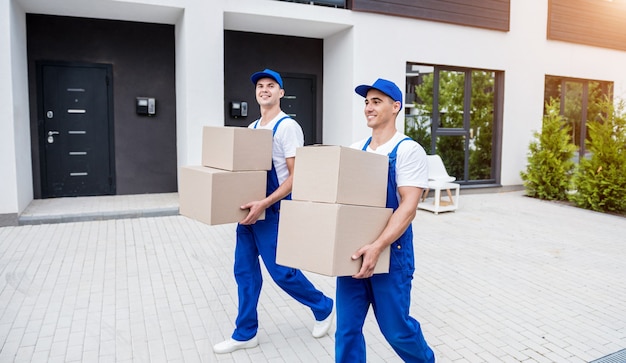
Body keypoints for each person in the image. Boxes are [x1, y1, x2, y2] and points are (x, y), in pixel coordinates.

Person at [213, 68, 334, 354]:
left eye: (271, 85)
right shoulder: (253, 128)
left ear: (281, 92)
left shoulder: (287, 127)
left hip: (273, 211)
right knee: (244, 271)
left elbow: (297, 176)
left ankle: (324, 306)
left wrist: (264, 204)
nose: (264, 89)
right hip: (248, 212)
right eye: (260, 86)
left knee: (282, 273)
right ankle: (245, 332)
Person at [334, 78, 435, 362]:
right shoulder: (356, 149)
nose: (368, 107)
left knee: (396, 331)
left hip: (392, 254)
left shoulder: (408, 151)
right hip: (354, 252)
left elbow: (408, 208)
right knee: (347, 330)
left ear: (396, 107)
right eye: (366, 102)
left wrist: (377, 246)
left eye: (376, 102)